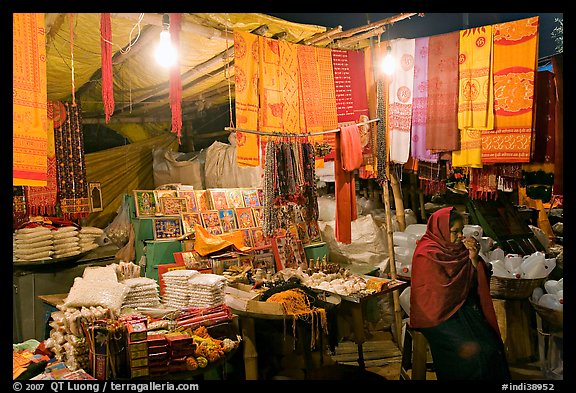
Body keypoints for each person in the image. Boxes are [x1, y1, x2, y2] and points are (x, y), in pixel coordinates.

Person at [409, 207, 510, 380]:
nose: (460, 236)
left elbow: (475, 281)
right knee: (472, 354)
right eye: (454, 232)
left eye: (461, 231)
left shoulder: (459, 250)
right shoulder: (426, 253)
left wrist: (473, 259)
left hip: (460, 308)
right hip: (435, 316)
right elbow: (438, 293)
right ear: (440, 230)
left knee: (492, 347)